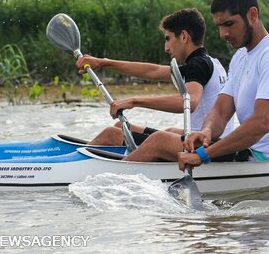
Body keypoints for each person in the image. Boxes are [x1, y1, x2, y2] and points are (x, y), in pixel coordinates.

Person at [180, 0, 269, 170]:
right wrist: (206, 132)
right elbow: (221, 111)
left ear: (252, 15)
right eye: (219, 27)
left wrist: (204, 155)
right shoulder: (240, 58)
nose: (223, 34)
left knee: (160, 141)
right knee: (175, 137)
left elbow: (261, 123)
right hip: (250, 152)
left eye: (229, 24)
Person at [76, 8, 232, 156]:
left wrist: (134, 101)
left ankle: (70, 167)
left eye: (168, 39)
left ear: (184, 36)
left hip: (204, 144)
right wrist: (104, 63)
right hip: (210, 139)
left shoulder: (198, 65)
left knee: (112, 134)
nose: (166, 47)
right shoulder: (211, 63)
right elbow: (153, 71)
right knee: (120, 127)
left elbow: (189, 102)